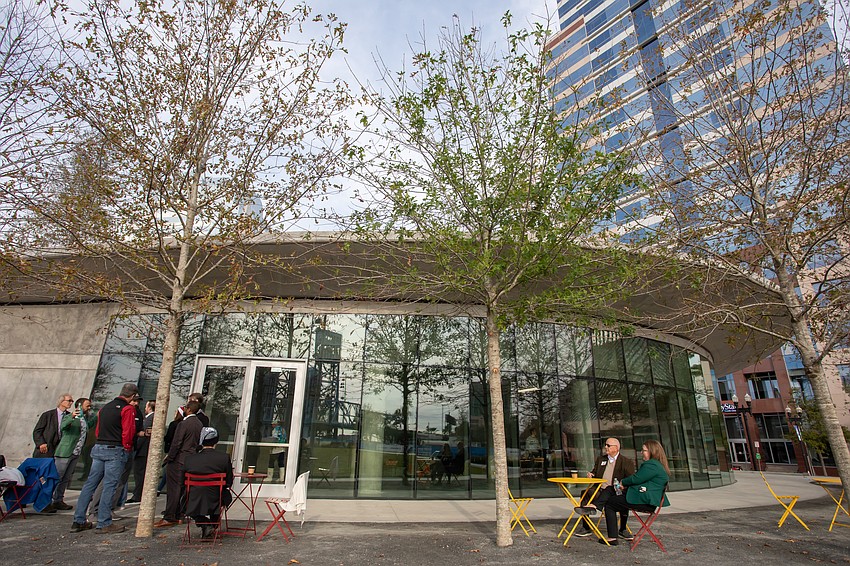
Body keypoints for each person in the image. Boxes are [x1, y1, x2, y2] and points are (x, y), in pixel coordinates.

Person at [71, 382, 139, 534]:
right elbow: (128, 433)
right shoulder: (128, 409)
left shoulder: (104, 408)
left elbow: (97, 430)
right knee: (110, 485)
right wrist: (126, 448)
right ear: (133, 396)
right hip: (115, 449)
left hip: (99, 447)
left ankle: (79, 519)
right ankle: (104, 522)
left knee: (90, 484)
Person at [597, 439, 670, 546]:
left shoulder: (651, 465)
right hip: (646, 499)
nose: (641, 452)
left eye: (644, 450)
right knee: (611, 489)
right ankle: (595, 506)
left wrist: (623, 482)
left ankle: (612, 537)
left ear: (652, 451)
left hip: (645, 502)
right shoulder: (656, 465)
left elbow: (636, 479)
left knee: (610, 504)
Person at [574, 437, 635, 537]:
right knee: (585, 493)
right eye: (605, 445)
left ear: (617, 447)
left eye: (608, 445)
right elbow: (595, 472)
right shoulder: (601, 459)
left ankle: (623, 529)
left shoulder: (626, 462)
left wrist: (622, 486)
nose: (605, 447)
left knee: (622, 498)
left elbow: (630, 479)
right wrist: (591, 474)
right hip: (600, 489)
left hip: (616, 491)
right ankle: (586, 526)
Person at [156, 400, 203, 528]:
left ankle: (170, 516)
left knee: (173, 489)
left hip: (179, 459)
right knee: (183, 488)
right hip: (191, 459)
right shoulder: (199, 424)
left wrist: (169, 458)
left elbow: (177, 443)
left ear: (188, 409)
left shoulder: (183, 424)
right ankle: (180, 513)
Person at [184, 427, 233, 539]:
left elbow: (183, 481)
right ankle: (212, 523)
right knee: (223, 494)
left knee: (184, 498)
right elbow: (229, 482)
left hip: (192, 499)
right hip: (215, 498)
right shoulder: (223, 458)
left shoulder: (190, 459)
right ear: (216, 441)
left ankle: (204, 522)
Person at [50, 398, 96, 511]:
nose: (89, 408)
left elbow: (87, 427)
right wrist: (71, 416)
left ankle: (58, 500)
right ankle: (47, 500)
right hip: (65, 452)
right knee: (57, 477)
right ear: (80, 406)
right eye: (87, 406)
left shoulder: (83, 419)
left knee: (66, 478)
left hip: (76, 452)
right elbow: (63, 426)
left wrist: (97, 417)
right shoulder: (70, 416)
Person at [127, 400, 155, 504]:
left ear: (149, 408)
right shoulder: (150, 418)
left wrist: (135, 447)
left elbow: (143, 436)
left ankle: (137, 495)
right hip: (143, 450)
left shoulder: (149, 419)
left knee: (139, 473)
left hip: (142, 450)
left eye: (146, 406)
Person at [32, 393, 74, 459]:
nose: (71, 403)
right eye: (69, 400)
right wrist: (41, 443)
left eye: (72, 401)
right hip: (46, 448)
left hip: (60, 450)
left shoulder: (70, 416)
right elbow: (37, 431)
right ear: (61, 401)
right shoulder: (48, 415)